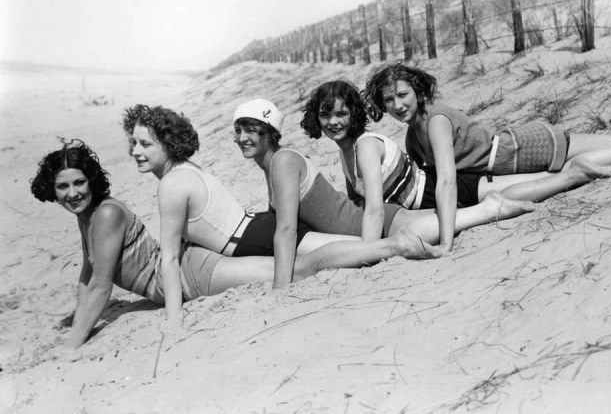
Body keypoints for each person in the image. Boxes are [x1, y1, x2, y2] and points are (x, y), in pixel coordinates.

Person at [364, 62, 611, 251]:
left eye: (402, 94)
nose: (398, 104)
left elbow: (449, 181)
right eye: (389, 100)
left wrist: (447, 241)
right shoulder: (414, 130)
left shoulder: (433, 123)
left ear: (417, 90)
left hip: (531, 150)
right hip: (521, 150)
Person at [121, 105, 443, 324]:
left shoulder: (172, 184)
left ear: (168, 142)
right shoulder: (186, 170)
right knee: (347, 244)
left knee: (324, 258)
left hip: (251, 238)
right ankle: (418, 232)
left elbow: (169, 259)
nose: (136, 150)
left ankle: (399, 244)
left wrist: (174, 321)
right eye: (133, 142)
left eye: (145, 144)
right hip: (255, 228)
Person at [232, 98, 603, 289]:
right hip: (380, 222)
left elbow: (285, 230)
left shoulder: (281, 161)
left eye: (252, 130)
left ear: (269, 132)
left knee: (486, 210)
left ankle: (570, 176)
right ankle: (567, 173)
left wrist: (281, 288)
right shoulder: (274, 164)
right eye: (239, 131)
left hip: (390, 224)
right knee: (482, 206)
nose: (244, 138)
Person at [31, 141, 283, 347]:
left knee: (284, 270)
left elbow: (100, 286)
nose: (73, 193)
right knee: (281, 264)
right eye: (62, 186)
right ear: (51, 189)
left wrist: (70, 348)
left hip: (188, 274)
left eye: (79, 183)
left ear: (91, 181)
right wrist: (77, 331)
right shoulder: (86, 216)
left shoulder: (106, 214)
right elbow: (88, 274)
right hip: (178, 274)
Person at [299, 80, 611, 240]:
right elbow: (358, 203)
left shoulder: (365, 146)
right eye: (325, 115)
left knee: (521, 188)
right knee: (523, 185)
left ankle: (574, 174)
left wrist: (369, 252)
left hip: (444, 187)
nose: (333, 122)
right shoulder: (345, 153)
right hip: (432, 195)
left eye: (341, 113)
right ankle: (577, 169)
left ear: (355, 114)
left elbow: (375, 208)